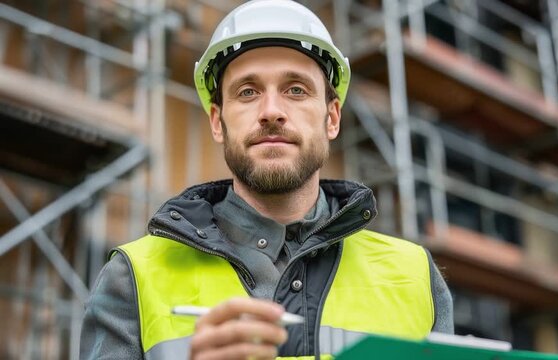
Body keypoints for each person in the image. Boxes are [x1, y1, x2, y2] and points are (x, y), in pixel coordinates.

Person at [80, 1, 453, 359]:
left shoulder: (414, 275)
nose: (271, 112)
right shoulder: (134, 276)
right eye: (248, 92)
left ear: (332, 118)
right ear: (217, 121)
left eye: (296, 90)